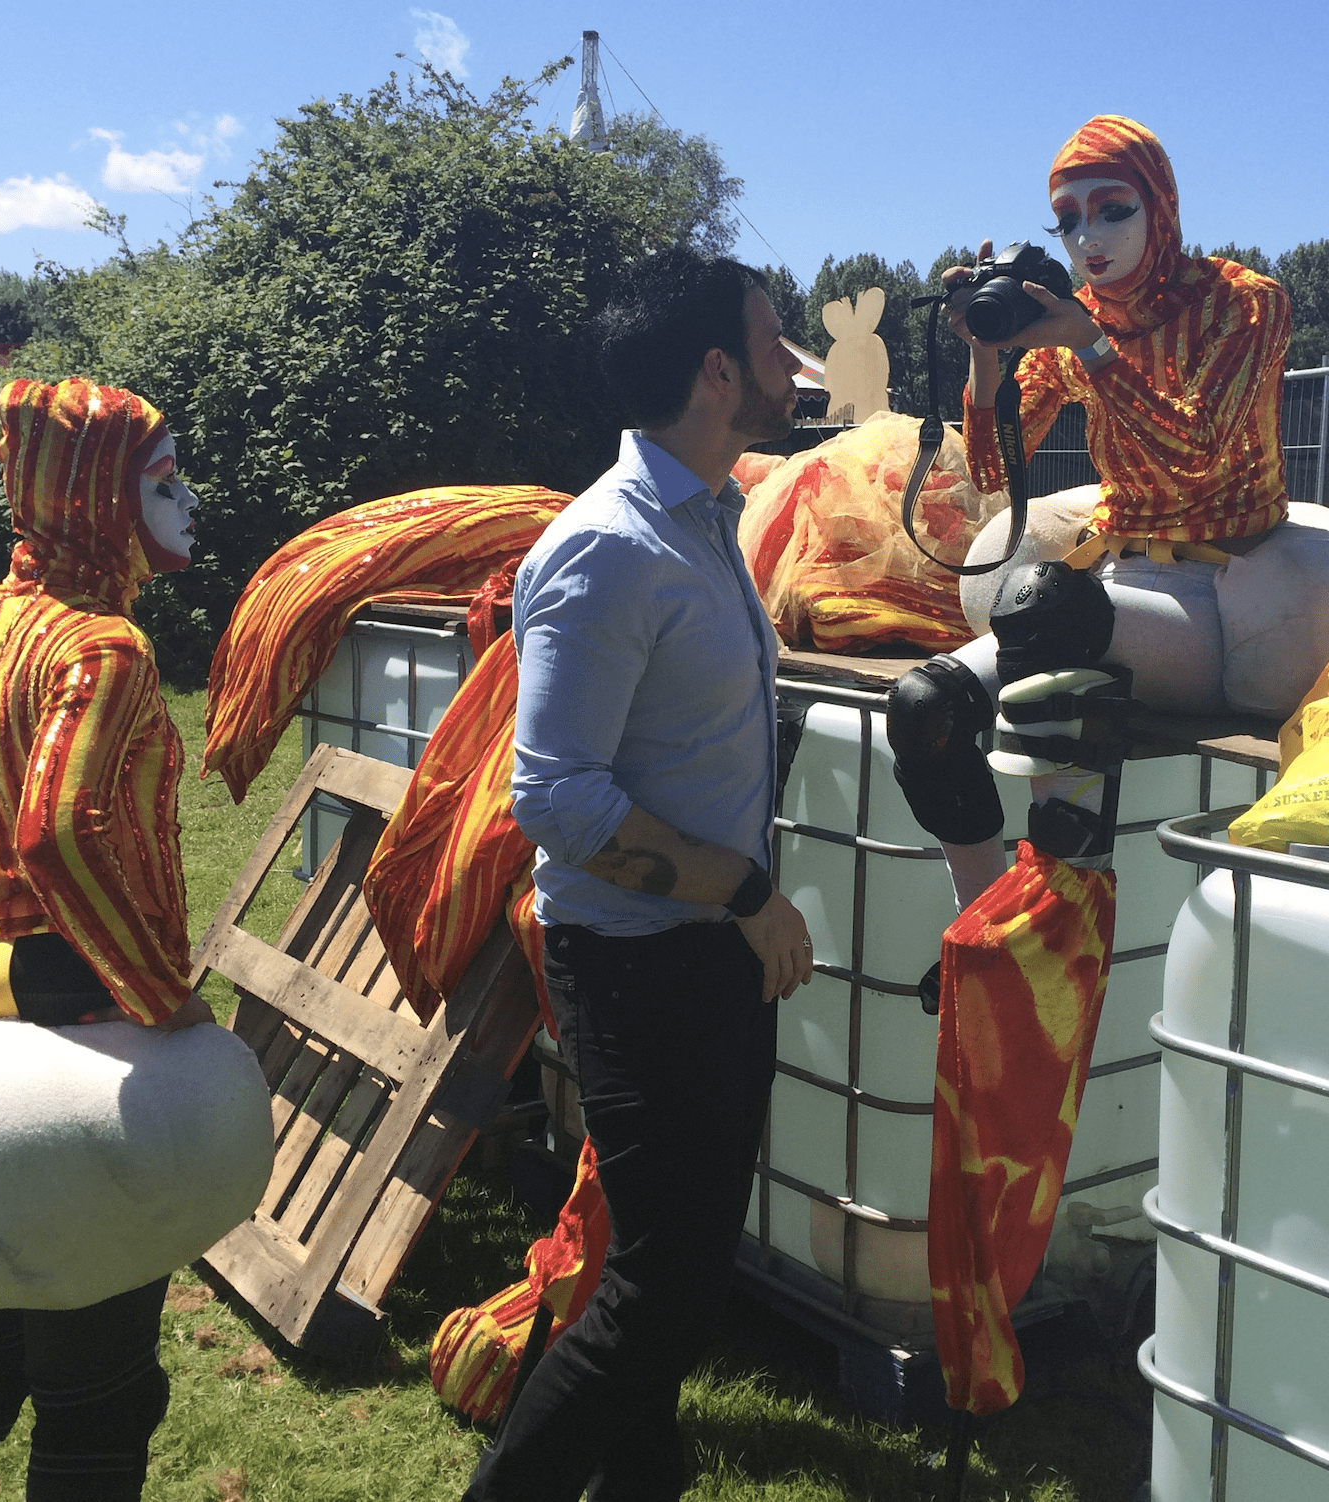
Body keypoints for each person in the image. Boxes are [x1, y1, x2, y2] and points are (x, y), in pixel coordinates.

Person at [463, 248, 813, 1502]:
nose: (793, 366)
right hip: (642, 961)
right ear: (718, 371)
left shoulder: (707, 519)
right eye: (776, 343)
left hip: (710, 956)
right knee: (660, 1296)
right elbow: (555, 799)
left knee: (670, 1279)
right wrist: (745, 893)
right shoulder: (608, 548)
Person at [893, 113, 1329, 906]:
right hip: (1119, 570)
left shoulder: (1245, 302)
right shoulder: (1069, 318)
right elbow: (988, 471)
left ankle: (1058, 911)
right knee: (924, 708)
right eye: (1069, 218)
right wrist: (988, 355)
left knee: (1046, 610)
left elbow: (1198, 449)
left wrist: (1090, 347)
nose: (1089, 238)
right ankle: (983, 922)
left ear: (1161, 205)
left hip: (1229, 584)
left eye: (1112, 209)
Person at [0, 377, 215, 1501]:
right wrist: (162, 994)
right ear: (102, 495)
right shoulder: (105, 646)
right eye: (162, 479)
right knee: (97, 1380)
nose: (189, 498)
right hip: (76, 1009)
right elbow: (56, 834)